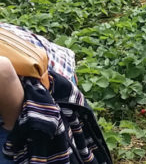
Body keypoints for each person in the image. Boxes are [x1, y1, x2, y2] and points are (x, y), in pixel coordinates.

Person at [0, 23, 112, 163]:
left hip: (43, 86)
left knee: (21, 148)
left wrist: (12, 133)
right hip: (42, 60)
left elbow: (3, 69)